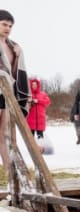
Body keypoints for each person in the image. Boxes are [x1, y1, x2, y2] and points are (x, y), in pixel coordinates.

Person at [0, 10, 31, 175]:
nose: (8, 28)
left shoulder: (14, 47)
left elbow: (16, 73)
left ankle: (9, 171)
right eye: (4, 24)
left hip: (7, 93)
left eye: (10, 26)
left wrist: (18, 56)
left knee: (6, 133)